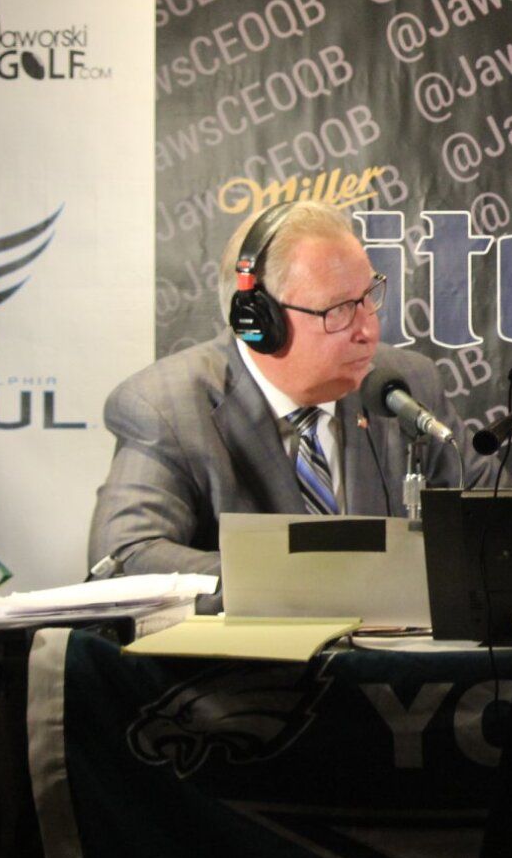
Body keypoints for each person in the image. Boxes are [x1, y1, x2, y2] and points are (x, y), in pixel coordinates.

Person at [87, 201, 477, 577]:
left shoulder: (405, 384)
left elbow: (494, 517)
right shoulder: (166, 407)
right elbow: (124, 556)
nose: (368, 330)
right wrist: (295, 582)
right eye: (338, 309)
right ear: (260, 322)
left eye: (367, 297)